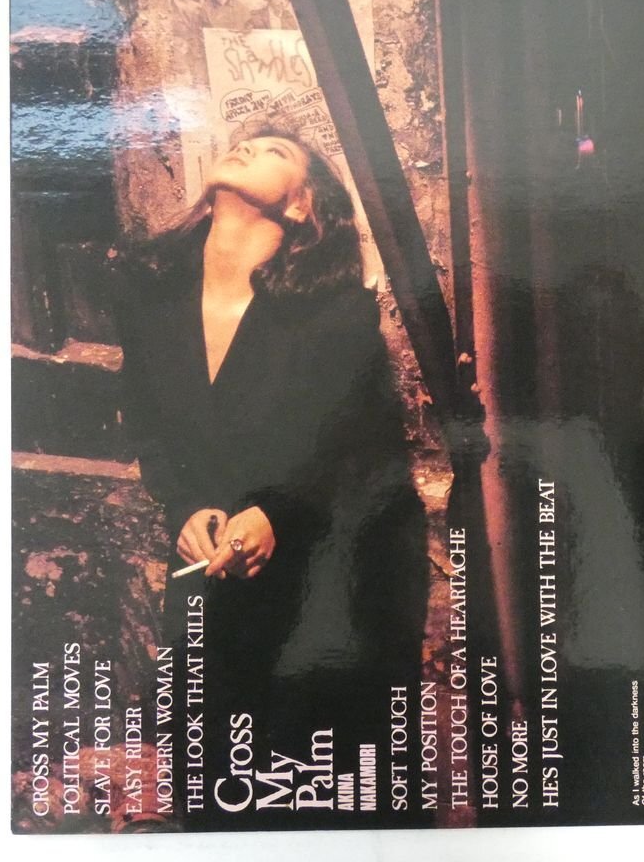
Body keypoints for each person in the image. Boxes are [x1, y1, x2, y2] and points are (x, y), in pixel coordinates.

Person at [116, 123, 428, 829]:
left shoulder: (337, 312)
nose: (248, 146)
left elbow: (356, 444)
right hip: (209, 560)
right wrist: (186, 508)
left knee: (321, 778)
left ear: (301, 206)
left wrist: (275, 514)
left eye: (276, 151)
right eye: (247, 141)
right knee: (217, 774)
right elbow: (149, 425)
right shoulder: (147, 290)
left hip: (323, 567)